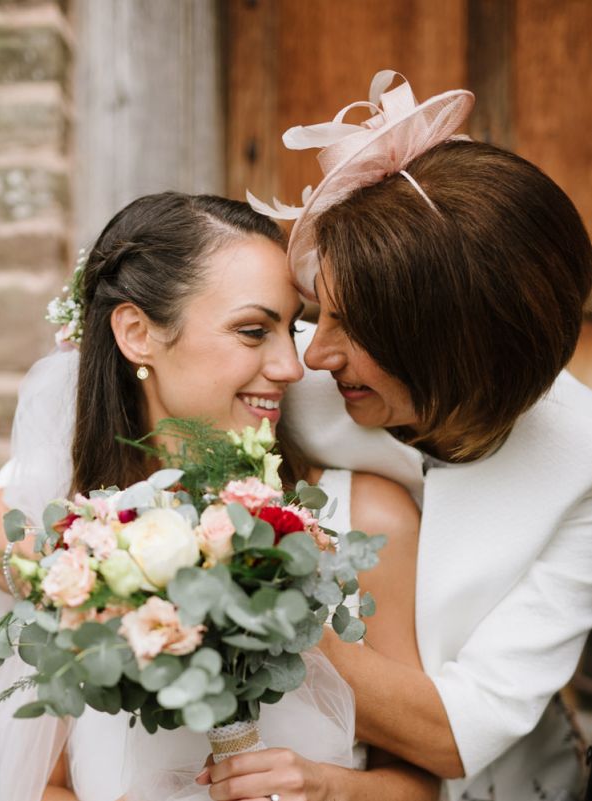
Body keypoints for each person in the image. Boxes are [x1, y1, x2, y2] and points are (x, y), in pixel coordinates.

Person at [0, 191, 437, 801]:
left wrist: (328, 788)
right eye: (251, 331)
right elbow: (44, 783)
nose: (293, 367)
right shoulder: (81, 550)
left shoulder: (367, 519)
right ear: (137, 333)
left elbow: (421, 785)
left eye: (289, 330)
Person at [228, 70, 592, 801]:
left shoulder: (580, 470)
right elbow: (33, 480)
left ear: (452, 349)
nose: (315, 353)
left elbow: (458, 731)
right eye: (316, 310)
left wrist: (241, 611)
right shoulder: (282, 371)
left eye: (351, 329)